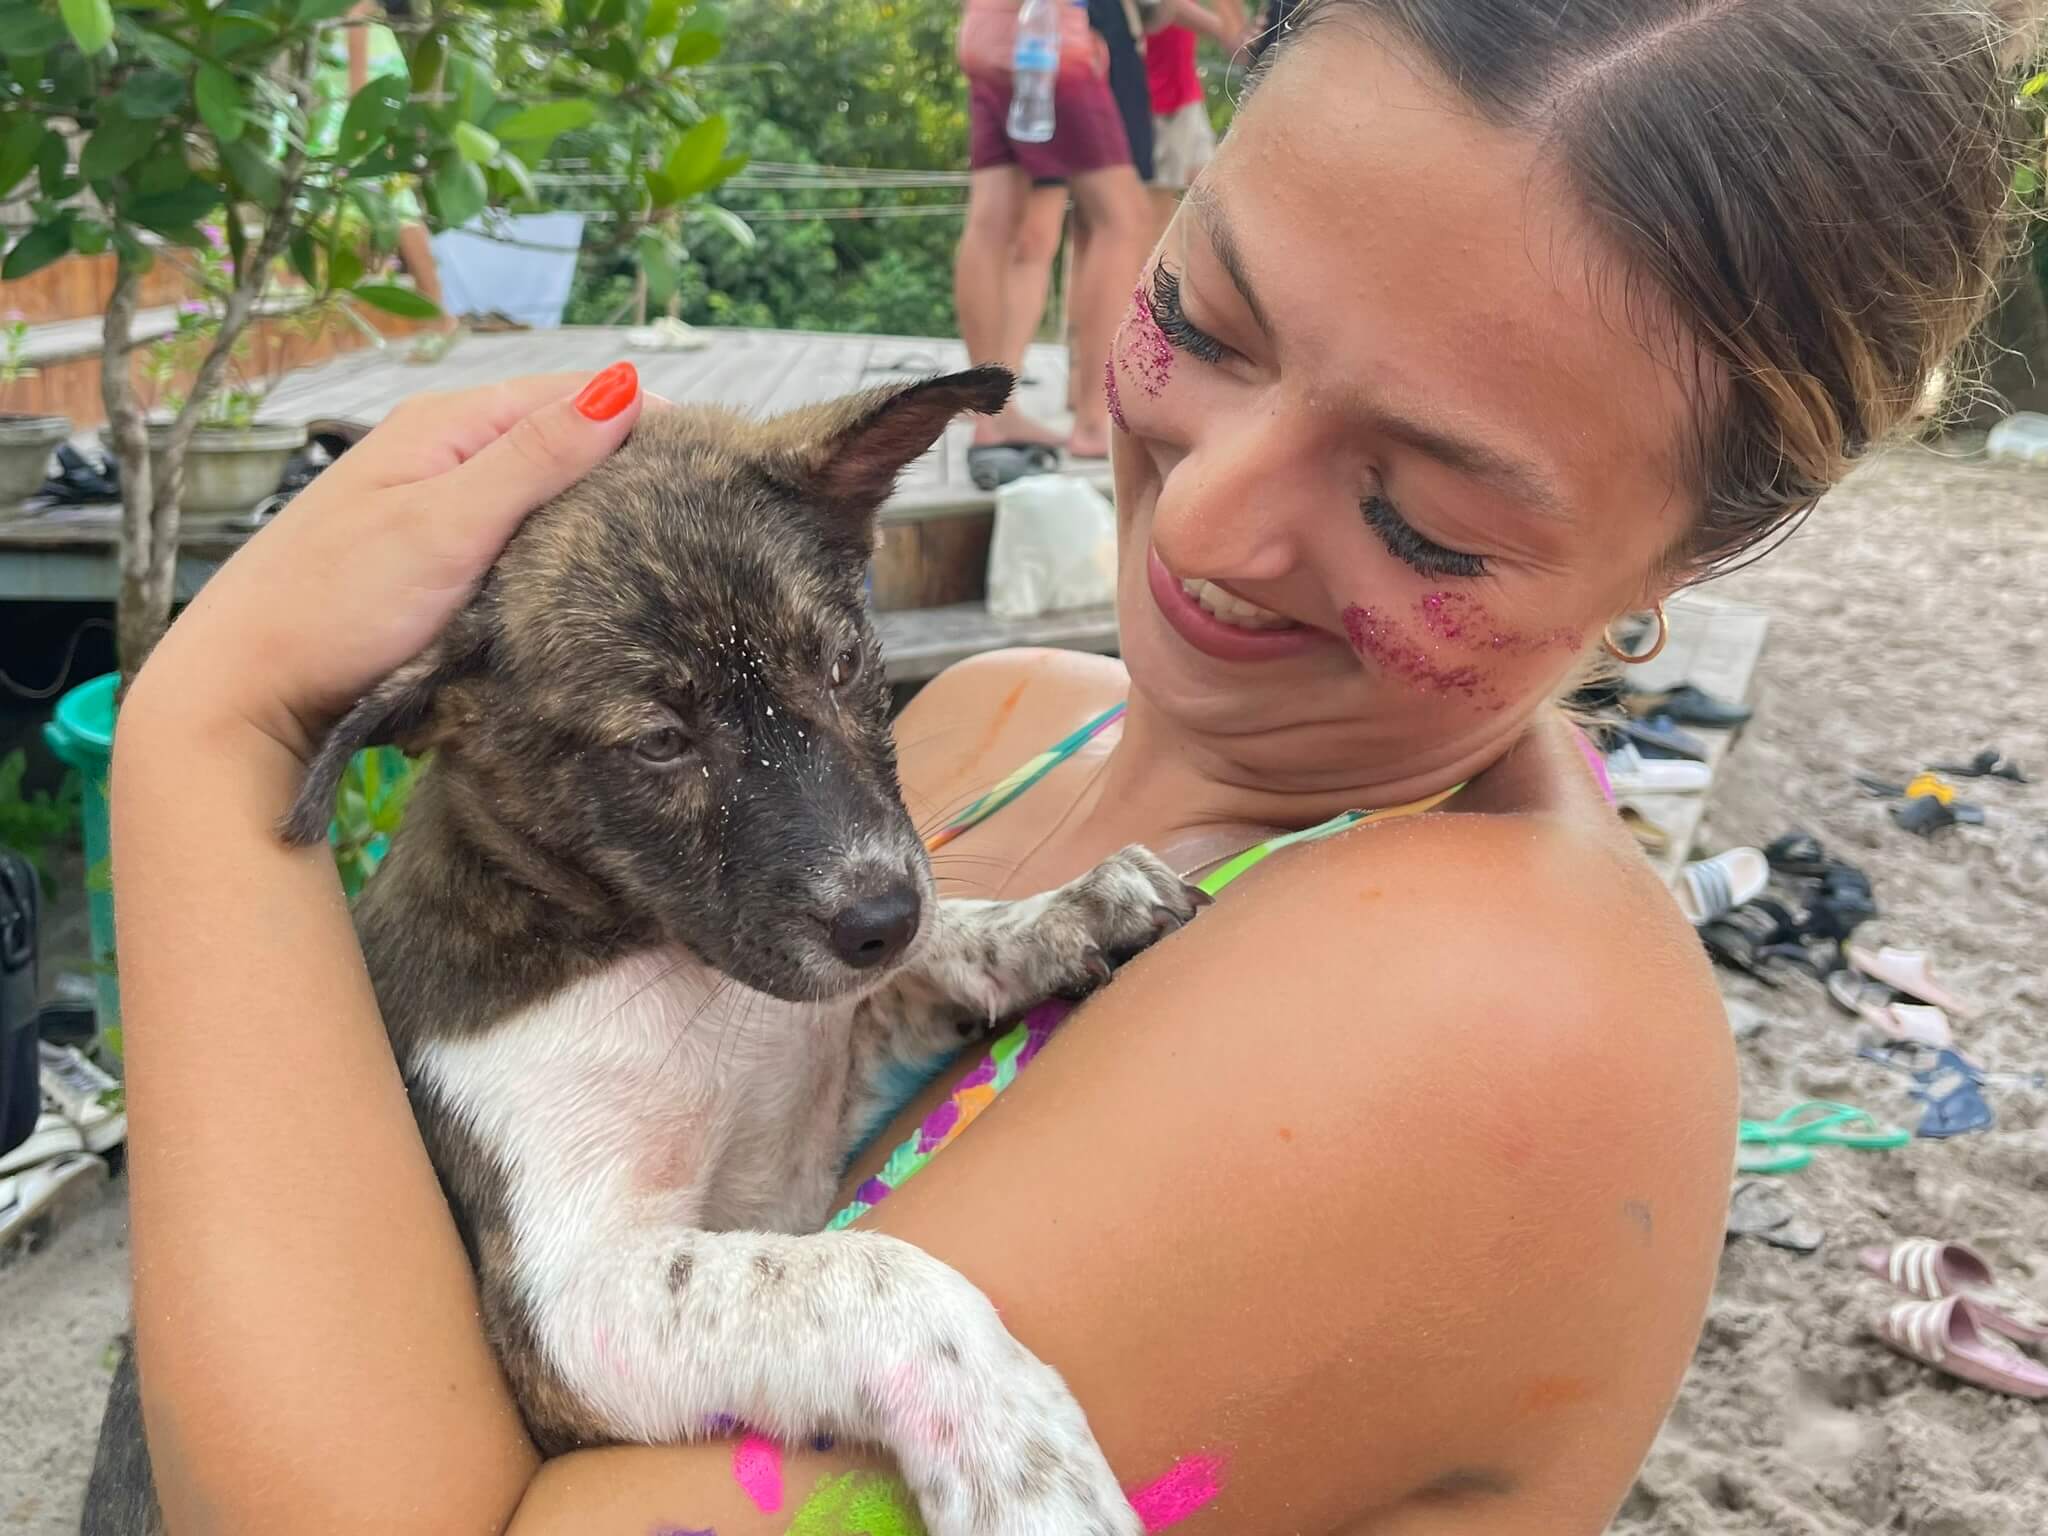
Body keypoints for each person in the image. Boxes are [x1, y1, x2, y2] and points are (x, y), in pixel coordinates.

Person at [111, 1, 2021, 1530]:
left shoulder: (1496, 1018)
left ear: (1683, 562)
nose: (1205, 527)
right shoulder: (1014, 715)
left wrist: (203, 748)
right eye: (1196, 322)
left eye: (1426, 516)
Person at [954, 0, 1156, 478]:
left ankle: (991, 416)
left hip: (983, 33)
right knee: (1123, 219)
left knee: (990, 220)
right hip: (1047, 36)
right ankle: (1094, 420)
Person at [311, 2, 462, 362]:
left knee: (392, 215)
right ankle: (439, 315)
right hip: (369, 131)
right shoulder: (381, 26)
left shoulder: (357, 17)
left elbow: (358, 88)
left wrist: (360, 142)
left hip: (350, 132)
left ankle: (438, 317)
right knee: (401, 213)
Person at [1142, 0, 1245, 236]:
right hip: (1159, 96)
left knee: (1210, 196)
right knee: (1155, 215)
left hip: (1183, 91)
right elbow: (1166, 7)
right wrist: (1229, 32)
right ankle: (1145, 272)